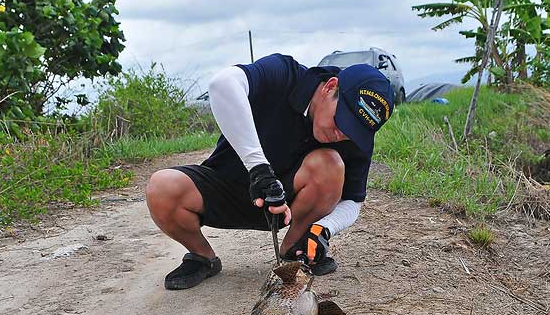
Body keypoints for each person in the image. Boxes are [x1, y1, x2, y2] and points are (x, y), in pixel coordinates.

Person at [145, 53, 395, 290]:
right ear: (330, 87)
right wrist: (259, 170)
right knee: (162, 187)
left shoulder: (355, 136)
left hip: (284, 206)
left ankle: (294, 250)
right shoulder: (284, 73)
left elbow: (352, 200)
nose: (341, 134)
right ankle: (202, 257)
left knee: (330, 164)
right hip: (226, 185)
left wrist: (325, 228)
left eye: (352, 131)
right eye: (341, 120)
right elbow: (222, 84)